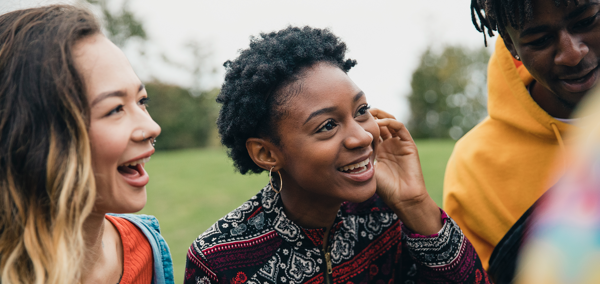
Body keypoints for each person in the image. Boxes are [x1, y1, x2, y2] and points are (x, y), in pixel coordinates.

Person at [184, 26, 490, 284]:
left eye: (361, 111)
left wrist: (415, 203)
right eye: (327, 125)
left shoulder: (385, 215)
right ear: (266, 153)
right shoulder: (218, 260)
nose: (362, 136)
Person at [0, 5, 173, 284]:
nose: (152, 127)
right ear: (36, 138)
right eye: (115, 108)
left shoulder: (146, 249)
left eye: (142, 101)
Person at [443, 0, 600, 278]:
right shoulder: (475, 167)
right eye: (540, 40)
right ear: (511, 46)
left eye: (586, 22)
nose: (573, 53)